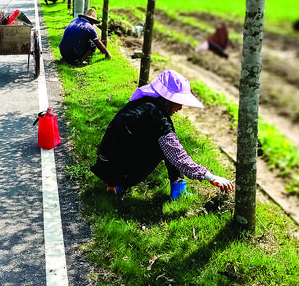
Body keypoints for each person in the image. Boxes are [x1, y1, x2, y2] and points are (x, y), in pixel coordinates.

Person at [90, 70, 234, 198]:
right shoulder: (158, 118)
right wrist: (210, 176)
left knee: (165, 139)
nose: (180, 107)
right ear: (168, 100)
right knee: (168, 143)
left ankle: (114, 185)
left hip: (104, 168)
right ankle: (178, 190)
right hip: (122, 174)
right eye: (179, 102)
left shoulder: (141, 103)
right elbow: (179, 157)